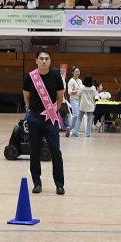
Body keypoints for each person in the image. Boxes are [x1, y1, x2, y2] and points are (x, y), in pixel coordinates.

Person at [22, 49, 66, 195]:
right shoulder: (30, 77)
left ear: (50, 61)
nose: (44, 61)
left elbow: (60, 97)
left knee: (55, 151)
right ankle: (37, 183)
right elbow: (26, 98)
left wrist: (51, 111)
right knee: (34, 151)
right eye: (41, 58)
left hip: (50, 119)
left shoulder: (56, 77)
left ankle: (59, 184)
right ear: (36, 61)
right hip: (34, 118)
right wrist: (34, 111)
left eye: (47, 58)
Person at [66, 67, 84, 137]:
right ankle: (71, 129)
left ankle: (76, 130)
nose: (77, 73)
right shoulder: (71, 81)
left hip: (80, 100)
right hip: (74, 100)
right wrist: (77, 91)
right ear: (73, 72)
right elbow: (69, 92)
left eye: (78, 71)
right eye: (76, 72)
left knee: (79, 116)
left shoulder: (80, 81)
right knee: (75, 115)